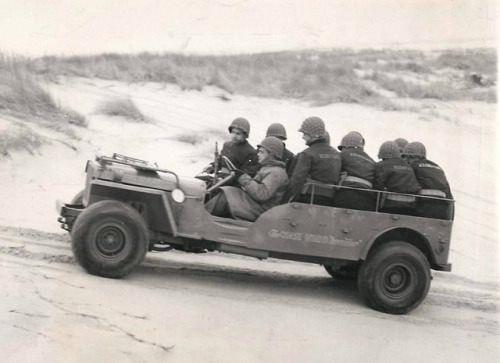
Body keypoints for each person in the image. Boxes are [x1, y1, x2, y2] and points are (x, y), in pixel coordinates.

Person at [205, 137, 288, 221]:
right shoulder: (268, 168)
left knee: (226, 195)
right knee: (227, 191)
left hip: (261, 211)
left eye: (262, 152)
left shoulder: (276, 173)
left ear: (271, 155)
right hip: (256, 205)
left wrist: (243, 178)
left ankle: (202, 217)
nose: (258, 154)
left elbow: (262, 194)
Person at [284, 117, 341, 206]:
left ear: (313, 134)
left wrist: (287, 201)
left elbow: (296, 181)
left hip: (309, 199)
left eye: (305, 134)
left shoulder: (307, 154)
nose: (303, 137)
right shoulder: (337, 154)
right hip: (329, 201)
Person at [402, 142, 454, 220]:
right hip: (442, 212)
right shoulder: (438, 168)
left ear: (412, 157)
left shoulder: (413, 167)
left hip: (422, 210)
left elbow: (407, 187)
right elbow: (449, 194)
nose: (405, 160)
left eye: (406, 157)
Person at [332, 132, 376, 211]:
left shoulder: (342, 154)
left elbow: (333, 173)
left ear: (345, 146)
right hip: (368, 199)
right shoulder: (372, 161)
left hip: (345, 195)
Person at [374, 141, 420, 215]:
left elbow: (378, 184)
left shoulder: (381, 165)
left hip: (390, 206)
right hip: (411, 207)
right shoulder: (409, 167)